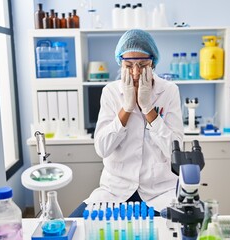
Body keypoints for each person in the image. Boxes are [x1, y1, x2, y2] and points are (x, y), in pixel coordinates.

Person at [69, 29, 183, 217]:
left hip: (160, 190)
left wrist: (148, 109)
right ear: (120, 64)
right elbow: (102, 148)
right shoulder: (111, 92)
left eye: (142, 65)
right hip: (115, 190)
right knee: (75, 225)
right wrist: (127, 107)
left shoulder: (169, 91)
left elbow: (174, 150)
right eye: (128, 65)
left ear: (153, 63)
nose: (136, 72)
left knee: (185, 229)